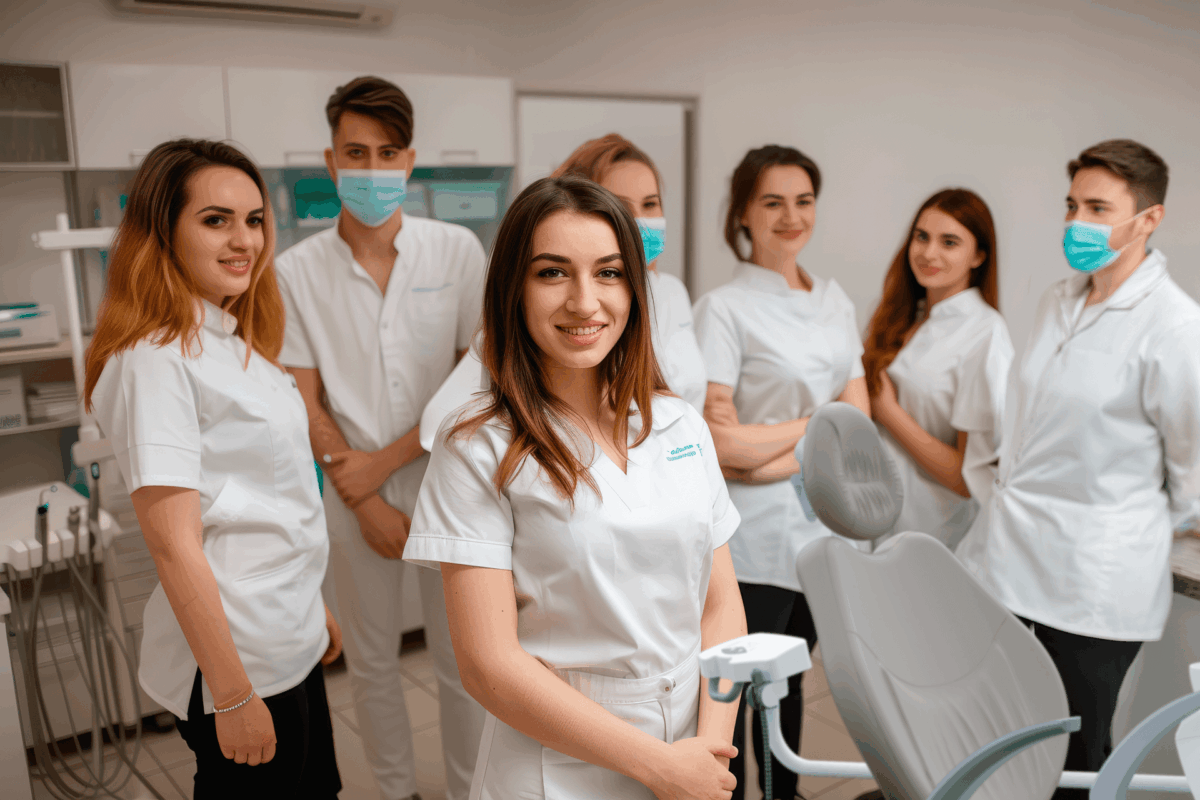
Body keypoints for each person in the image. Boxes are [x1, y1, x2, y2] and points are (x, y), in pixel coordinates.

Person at [404, 174, 747, 800]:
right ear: (514, 289)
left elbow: (720, 604)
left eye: (609, 273)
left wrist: (711, 749)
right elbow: (488, 666)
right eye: (553, 273)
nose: (585, 302)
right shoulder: (476, 443)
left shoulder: (676, 422)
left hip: (695, 748)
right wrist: (657, 765)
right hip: (556, 764)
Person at [84, 139, 342, 798]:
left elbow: (274, 499)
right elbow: (174, 545)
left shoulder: (233, 342)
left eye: (254, 219)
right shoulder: (154, 361)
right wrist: (230, 696)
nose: (245, 240)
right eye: (215, 219)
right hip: (238, 660)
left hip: (288, 635)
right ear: (163, 233)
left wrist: (312, 610)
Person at [956, 139, 1200, 799]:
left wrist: (1137, 521)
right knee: (1014, 735)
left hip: (1094, 576)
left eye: (1098, 208)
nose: (1077, 223)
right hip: (1014, 559)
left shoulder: (1175, 328)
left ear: (1149, 219)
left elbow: (1193, 471)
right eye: (1072, 206)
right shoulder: (1057, 300)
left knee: (1078, 752)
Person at [274, 75, 487, 800]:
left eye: (387, 152)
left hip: (449, 485)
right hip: (347, 493)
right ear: (330, 163)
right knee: (370, 663)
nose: (371, 169)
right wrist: (359, 494)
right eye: (354, 153)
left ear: (410, 161)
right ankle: (396, 793)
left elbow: (473, 378)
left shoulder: (456, 252)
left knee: (464, 662)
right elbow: (300, 396)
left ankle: (466, 792)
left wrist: (385, 467)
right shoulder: (293, 272)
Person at [692, 145, 872, 800]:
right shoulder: (724, 307)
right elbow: (719, 440)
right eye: (772, 201)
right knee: (736, 697)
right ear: (744, 212)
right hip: (755, 540)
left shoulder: (833, 300)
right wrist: (819, 425)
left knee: (793, 683)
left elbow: (862, 416)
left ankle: (783, 796)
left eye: (803, 200)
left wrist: (770, 451)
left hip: (822, 531)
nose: (790, 216)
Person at [416, 132, 705, 453]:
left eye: (650, 204)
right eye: (620, 207)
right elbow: (445, 428)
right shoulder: (540, 317)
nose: (639, 221)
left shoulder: (673, 292)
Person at [860, 189, 1013, 552]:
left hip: (935, 538)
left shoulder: (985, 334)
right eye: (921, 236)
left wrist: (890, 413)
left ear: (978, 255)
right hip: (874, 526)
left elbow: (968, 478)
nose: (929, 253)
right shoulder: (901, 319)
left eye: (949, 242)